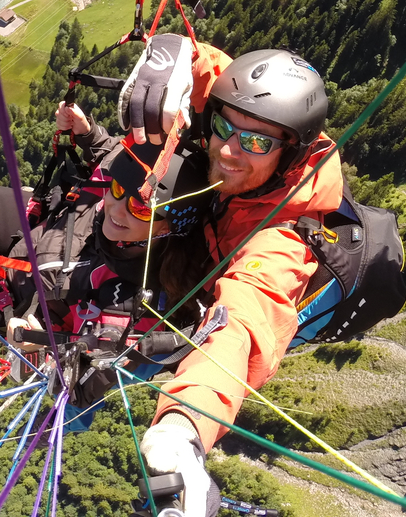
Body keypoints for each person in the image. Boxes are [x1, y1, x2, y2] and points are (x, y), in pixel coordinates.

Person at [119, 35, 342, 517]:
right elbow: (215, 76)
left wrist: (183, 428)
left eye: (258, 141)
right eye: (223, 127)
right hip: (205, 246)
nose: (228, 151)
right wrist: (175, 54)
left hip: (209, 295)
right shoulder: (242, 130)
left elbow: (241, 321)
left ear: (290, 154)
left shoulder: (285, 240)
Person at [0, 99, 216, 408]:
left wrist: (40, 348)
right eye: (115, 189)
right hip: (45, 226)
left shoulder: (138, 304)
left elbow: (82, 388)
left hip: (23, 294)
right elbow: (115, 156)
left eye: (141, 210)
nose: (116, 209)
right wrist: (87, 132)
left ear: (170, 228)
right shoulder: (132, 181)